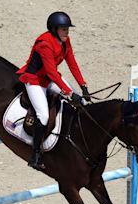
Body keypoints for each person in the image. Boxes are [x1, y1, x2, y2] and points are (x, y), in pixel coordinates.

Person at [16, 11, 91, 170]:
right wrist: (69, 93)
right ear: (54, 29)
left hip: (49, 79)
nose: (67, 32)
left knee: (82, 102)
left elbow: (72, 64)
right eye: (63, 29)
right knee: (43, 115)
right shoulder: (45, 44)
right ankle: (35, 155)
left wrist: (83, 86)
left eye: (67, 29)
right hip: (35, 80)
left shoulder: (65, 41)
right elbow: (51, 72)